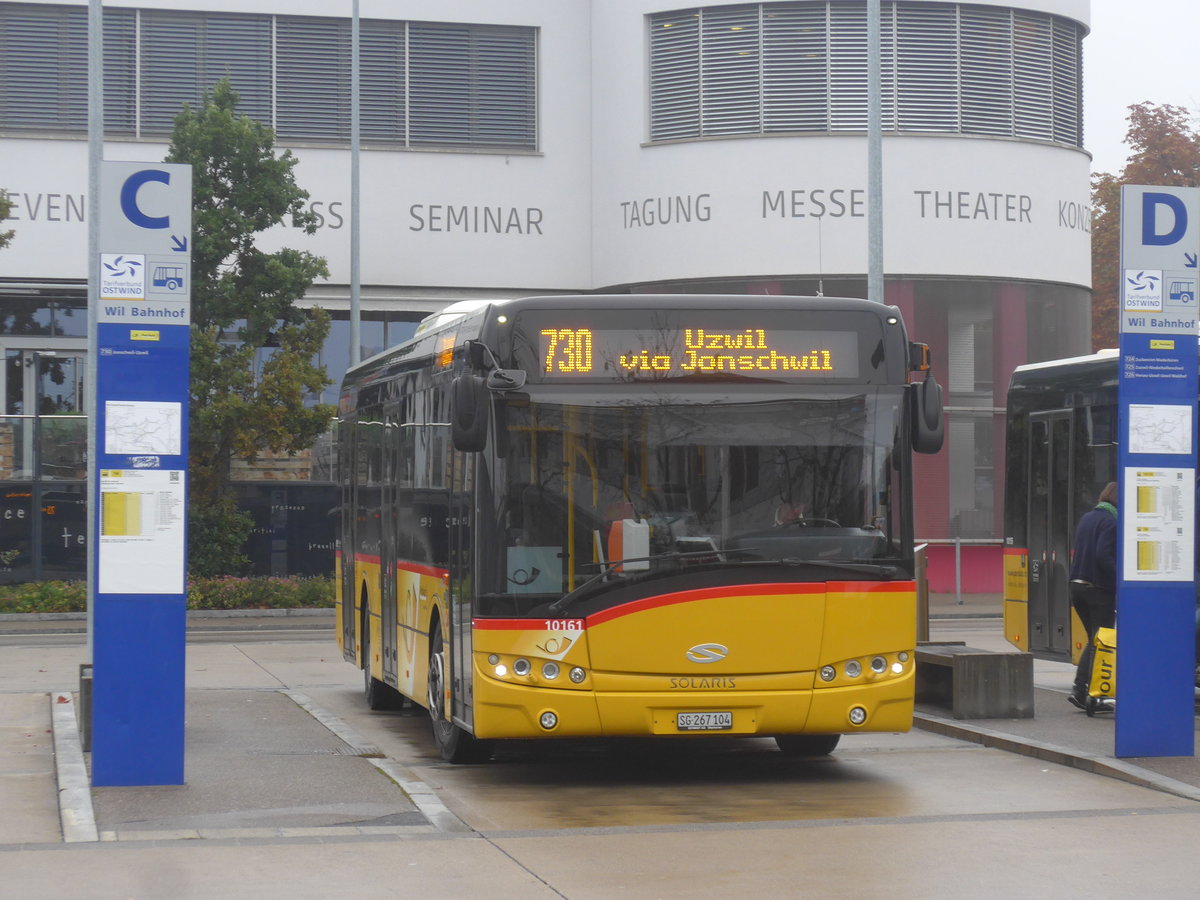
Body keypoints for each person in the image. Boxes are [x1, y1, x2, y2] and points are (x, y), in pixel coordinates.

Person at [1067, 481, 1118, 712]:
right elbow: (1103, 556)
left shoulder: (1088, 517)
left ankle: (1086, 692)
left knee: (1093, 640)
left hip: (1077, 586)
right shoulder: (1111, 521)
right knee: (1099, 641)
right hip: (1098, 589)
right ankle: (1084, 691)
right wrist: (1121, 581)